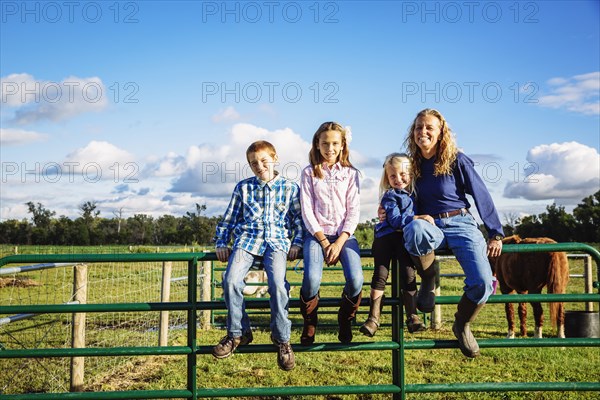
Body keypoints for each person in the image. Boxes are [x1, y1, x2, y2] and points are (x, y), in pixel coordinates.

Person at [401, 109, 504, 358]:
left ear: (440, 132)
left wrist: (495, 232)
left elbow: (481, 194)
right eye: (418, 127)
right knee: (414, 230)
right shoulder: (410, 165)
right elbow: (402, 196)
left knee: (482, 283)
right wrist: (389, 211)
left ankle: (462, 324)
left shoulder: (456, 159)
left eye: (429, 127)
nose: (422, 132)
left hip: (460, 222)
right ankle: (428, 280)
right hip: (428, 224)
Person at [212, 140, 303, 371]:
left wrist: (297, 243)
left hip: (277, 242)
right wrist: (222, 242)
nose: (259, 165)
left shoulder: (290, 188)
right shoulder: (243, 188)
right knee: (230, 280)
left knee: (278, 285)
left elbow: (298, 221)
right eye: (253, 163)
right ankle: (238, 333)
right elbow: (229, 219)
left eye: (264, 160)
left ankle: (282, 339)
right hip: (247, 241)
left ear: (275, 159)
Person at [360, 153, 439, 337]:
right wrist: (418, 217)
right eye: (392, 176)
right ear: (387, 178)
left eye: (403, 174)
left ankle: (412, 316)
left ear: (411, 174)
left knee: (408, 273)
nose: (398, 179)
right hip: (386, 238)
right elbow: (395, 221)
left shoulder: (415, 196)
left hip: (403, 240)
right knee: (381, 273)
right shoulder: (390, 196)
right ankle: (373, 317)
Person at [299, 121, 362, 344]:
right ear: (317, 144)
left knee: (356, 279)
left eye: (335, 143)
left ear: (343, 145)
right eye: (325, 143)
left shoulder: (351, 173)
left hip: (344, 235)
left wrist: (340, 241)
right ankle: (310, 321)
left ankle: (345, 318)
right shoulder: (309, 173)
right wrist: (325, 242)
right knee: (312, 278)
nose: (330, 148)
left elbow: (354, 210)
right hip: (317, 236)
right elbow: (307, 210)